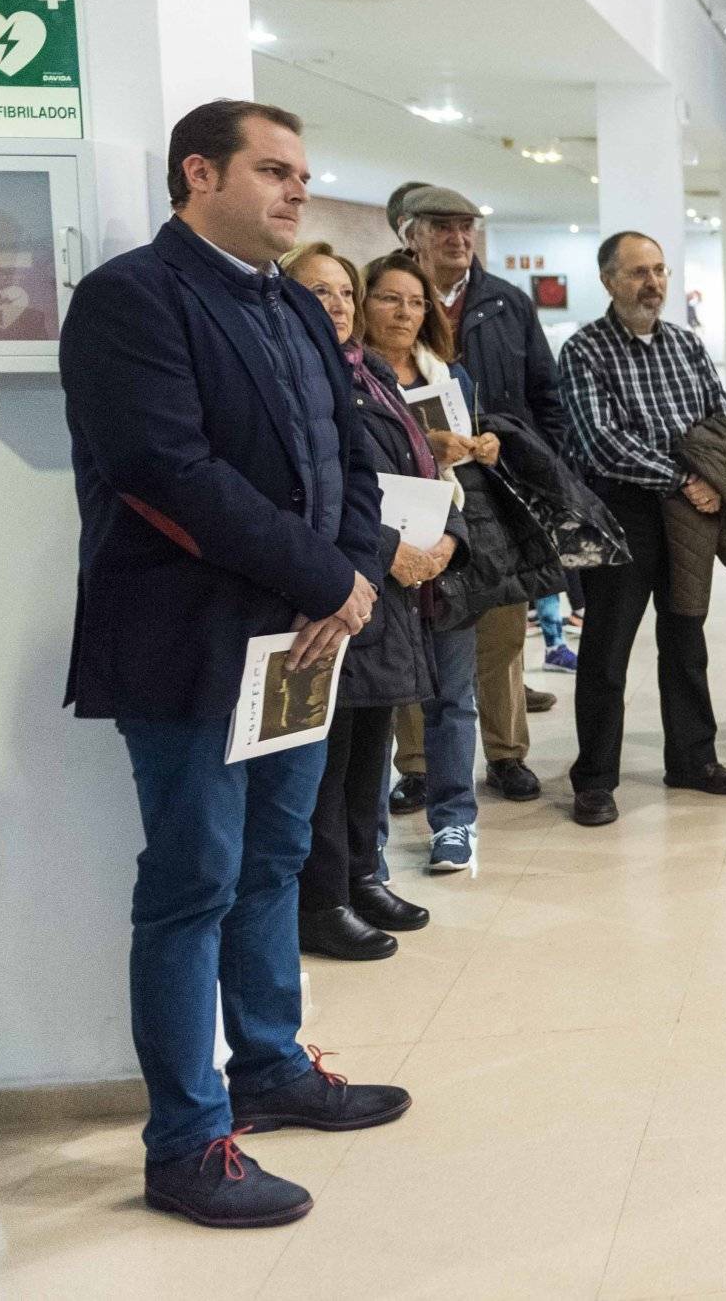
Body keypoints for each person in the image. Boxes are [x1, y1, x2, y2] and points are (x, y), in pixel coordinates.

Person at [61, 99, 410, 1229]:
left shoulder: (295, 307)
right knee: (191, 884)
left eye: (303, 171)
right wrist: (327, 579)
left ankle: (267, 1061)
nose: (297, 189)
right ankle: (185, 1141)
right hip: (189, 645)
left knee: (275, 861)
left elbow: (351, 452)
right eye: (274, 169)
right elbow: (167, 470)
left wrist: (352, 573)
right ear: (197, 173)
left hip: (305, 639)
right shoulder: (131, 297)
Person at [280, 245, 459, 957]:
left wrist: (447, 542)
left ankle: (362, 876)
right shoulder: (303, 381)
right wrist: (391, 550)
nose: (338, 305)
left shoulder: (370, 374)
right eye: (318, 291)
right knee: (328, 756)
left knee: (368, 749)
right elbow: (326, 493)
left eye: (344, 292)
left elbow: (423, 469)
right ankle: (324, 899)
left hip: (389, 593)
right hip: (337, 586)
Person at [558, 231, 726, 826]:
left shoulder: (686, 346)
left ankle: (693, 759)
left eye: (661, 270)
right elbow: (601, 441)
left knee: (687, 639)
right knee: (606, 649)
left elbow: (723, 416)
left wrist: (711, 478)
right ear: (609, 280)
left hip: (690, 513)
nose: (654, 283)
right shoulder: (584, 350)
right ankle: (594, 780)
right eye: (639, 272)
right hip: (620, 515)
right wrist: (681, 477)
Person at [396, 183, 563, 797]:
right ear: (410, 232)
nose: (458, 237)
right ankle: (415, 766)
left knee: (501, 629)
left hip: (497, 486)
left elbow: (544, 397)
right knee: (413, 625)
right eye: (442, 225)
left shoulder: (506, 304)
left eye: (467, 226)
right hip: (415, 490)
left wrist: (534, 463)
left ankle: (507, 754)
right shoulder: (389, 298)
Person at [359, 253, 492, 873]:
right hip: (375, 556)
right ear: (366, 303)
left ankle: (455, 823)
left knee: (452, 696)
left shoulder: (451, 377)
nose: (405, 312)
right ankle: (370, 840)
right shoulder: (345, 377)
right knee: (375, 708)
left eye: (416, 302)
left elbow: (464, 473)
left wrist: (482, 445)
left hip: (445, 547)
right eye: (390, 298)